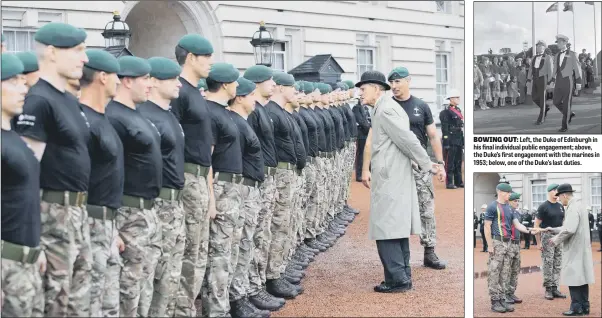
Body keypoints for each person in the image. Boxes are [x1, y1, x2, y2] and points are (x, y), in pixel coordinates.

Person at [12, 22, 90, 317]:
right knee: (54, 301)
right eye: (78, 50)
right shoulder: (38, 100)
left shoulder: (68, 100)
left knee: (78, 301)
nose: (85, 58)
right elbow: (26, 173)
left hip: (77, 213)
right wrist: (32, 236)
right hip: (52, 214)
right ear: (53, 53)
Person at [358, 70, 439, 293]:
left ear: (376, 88)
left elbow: (407, 139)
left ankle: (398, 280)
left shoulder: (385, 110)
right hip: (392, 174)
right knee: (395, 228)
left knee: (386, 229)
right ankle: (402, 276)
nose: (360, 93)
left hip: (391, 177)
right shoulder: (383, 108)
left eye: (363, 89)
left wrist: (427, 163)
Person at [106, 56, 161, 317]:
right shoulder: (113, 117)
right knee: (128, 287)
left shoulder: (138, 115)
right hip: (128, 212)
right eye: (145, 79)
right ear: (127, 81)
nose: (150, 85)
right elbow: (108, 172)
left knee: (145, 282)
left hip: (147, 210)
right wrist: (114, 226)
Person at [170, 34, 216, 318]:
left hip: (199, 178)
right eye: (206, 56)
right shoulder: (180, 92)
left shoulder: (195, 92)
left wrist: (210, 192)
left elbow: (204, 148)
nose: (211, 62)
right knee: (187, 254)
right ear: (190, 58)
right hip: (186, 179)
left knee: (198, 254)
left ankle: (187, 309)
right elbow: (172, 143)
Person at [137, 57, 187, 317]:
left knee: (171, 276)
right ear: (154, 82)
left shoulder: (168, 116)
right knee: (153, 276)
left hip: (175, 203)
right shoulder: (145, 116)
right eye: (173, 79)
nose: (179, 84)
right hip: (159, 204)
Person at [78, 49, 124, 317]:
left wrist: (113, 228)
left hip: (106, 222)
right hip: (89, 222)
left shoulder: (104, 119)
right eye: (116, 75)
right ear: (103, 77)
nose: (120, 81)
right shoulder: (84, 121)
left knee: (109, 303)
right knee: (90, 300)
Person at [387, 67, 446, 269]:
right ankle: (401, 256)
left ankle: (430, 252)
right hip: (396, 163)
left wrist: (440, 163)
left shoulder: (421, 106)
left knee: (426, 208)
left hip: (420, 164)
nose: (394, 86)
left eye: (398, 82)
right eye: (391, 83)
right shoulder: (387, 106)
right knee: (397, 209)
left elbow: (432, 136)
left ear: (408, 81)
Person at [1, 52, 45, 317]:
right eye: (14, 82)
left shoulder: (15, 138)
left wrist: (34, 248)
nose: (23, 89)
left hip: (25, 263)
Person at [199, 62, 244, 317]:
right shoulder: (211, 113)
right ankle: (215, 311)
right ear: (226, 84)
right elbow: (207, 159)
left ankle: (223, 306)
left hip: (232, 188)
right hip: (220, 187)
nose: (237, 86)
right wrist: (211, 200)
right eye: (235, 82)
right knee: (218, 253)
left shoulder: (222, 111)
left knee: (229, 251)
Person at [242, 65, 288, 311]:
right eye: (269, 80)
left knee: (265, 233)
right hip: (256, 180)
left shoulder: (261, 109)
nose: (274, 84)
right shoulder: (254, 111)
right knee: (257, 236)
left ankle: (260, 282)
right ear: (256, 82)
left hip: (266, 177)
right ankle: (253, 287)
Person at [227, 77, 272, 318]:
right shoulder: (234, 122)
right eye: (251, 95)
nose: (256, 100)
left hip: (250, 188)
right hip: (241, 189)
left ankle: (244, 293)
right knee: (242, 244)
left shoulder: (242, 122)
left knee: (248, 243)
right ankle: (238, 298)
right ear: (241, 97)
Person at [262, 71, 301, 299]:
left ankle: (278, 269)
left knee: (284, 223)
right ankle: (272, 276)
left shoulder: (281, 113)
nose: (294, 91)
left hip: (287, 172)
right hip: (278, 173)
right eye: (290, 87)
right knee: (277, 224)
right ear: (279, 88)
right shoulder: (271, 113)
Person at [484, 183, 543, 313]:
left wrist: (530, 230)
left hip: (508, 243)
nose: (509, 194)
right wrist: (489, 245)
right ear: (500, 192)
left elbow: (517, 225)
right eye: (508, 192)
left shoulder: (509, 208)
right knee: (495, 272)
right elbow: (487, 226)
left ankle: (501, 299)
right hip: (497, 242)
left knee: (504, 272)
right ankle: (495, 301)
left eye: (510, 193)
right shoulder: (493, 206)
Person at [545, 184, 595, 316]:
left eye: (560, 197)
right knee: (582, 279)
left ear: (564, 195)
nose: (560, 200)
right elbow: (569, 226)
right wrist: (553, 229)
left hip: (574, 248)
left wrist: (555, 239)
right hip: (581, 248)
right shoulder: (580, 205)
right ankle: (585, 306)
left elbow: (569, 229)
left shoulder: (572, 207)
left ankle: (576, 307)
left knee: (573, 278)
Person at [535, 183, 567, 300]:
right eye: (555, 190)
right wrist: (538, 243)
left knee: (557, 263)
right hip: (547, 236)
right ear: (549, 191)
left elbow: (563, 223)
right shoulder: (543, 206)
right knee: (548, 263)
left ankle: (555, 287)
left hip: (559, 236)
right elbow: (536, 225)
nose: (557, 193)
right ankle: (548, 289)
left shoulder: (560, 206)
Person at [549, 34, 581, 132]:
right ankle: (569, 114)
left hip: (568, 80)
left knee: (567, 103)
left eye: (559, 42)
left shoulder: (572, 54)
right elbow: (555, 69)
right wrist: (552, 80)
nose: (557, 44)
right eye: (557, 42)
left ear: (565, 43)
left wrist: (578, 82)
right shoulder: (557, 55)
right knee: (556, 102)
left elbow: (577, 68)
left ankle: (564, 126)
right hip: (558, 80)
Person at [439, 89, 464, 189]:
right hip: (451, 139)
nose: (458, 99)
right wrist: (446, 142)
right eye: (456, 97)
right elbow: (444, 129)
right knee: (450, 163)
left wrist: (463, 141)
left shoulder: (458, 110)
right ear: (451, 99)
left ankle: (459, 181)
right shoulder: (445, 113)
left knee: (458, 161)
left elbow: (460, 127)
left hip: (458, 138)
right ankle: (449, 182)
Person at [503, 193, 524, 305]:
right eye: (515, 200)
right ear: (509, 201)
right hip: (509, 243)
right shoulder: (506, 211)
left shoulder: (517, 213)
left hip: (516, 243)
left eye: (518, 201)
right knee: (507, 269)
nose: (517, 202)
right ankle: (505, 294)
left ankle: (511, 292)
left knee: (515, 270)